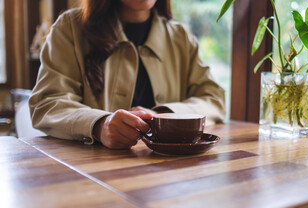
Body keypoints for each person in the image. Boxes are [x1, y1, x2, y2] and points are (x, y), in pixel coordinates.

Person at [29, 0, 225, 149]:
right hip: (91, 178)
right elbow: (48, 103)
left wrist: (166, 115)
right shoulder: (70, 28)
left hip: (168, 178)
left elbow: (213, 98)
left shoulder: (180, 37)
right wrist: (99, 124)